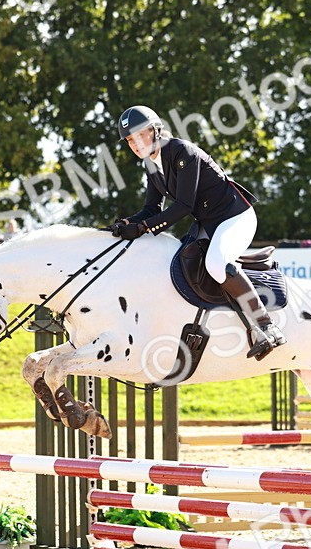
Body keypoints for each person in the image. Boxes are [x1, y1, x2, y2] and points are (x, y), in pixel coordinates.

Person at [111, 105, 285, 359]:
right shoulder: (151, 164)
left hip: (235, 217)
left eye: (139, 135)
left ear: (155, 130)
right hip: (208, 223)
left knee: (216, 264)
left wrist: (143, 228)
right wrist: (126, 223)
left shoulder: (182, 151)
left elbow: (184, 205)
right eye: (129, 140)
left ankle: (267, 326)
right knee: (178, 261)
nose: (135, 144)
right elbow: (151, 208)